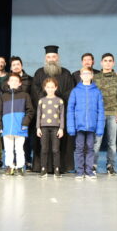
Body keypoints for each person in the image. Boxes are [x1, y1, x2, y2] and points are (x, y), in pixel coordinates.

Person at [32, 45, 75, 173]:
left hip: (59, 115)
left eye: (53, 56)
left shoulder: (66, 73)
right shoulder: (39, 73)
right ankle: (42, 167)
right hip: (44, 117)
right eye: (49, 57)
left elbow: (70, 91)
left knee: (59, 145)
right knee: (43, 146)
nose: (51, 59)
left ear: (58, 58)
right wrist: (47, 98)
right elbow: (35, 91)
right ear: (45, 58)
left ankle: (60, 167)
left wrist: (57, 99)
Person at [67, 67, 105, 180]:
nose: (86, 75)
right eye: (84, 73)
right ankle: (79, 171)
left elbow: (101, 111)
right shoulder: (75, 91)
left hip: (92, 127)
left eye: (89, 73)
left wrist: (100, 128)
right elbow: (70, 110)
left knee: (90, 148)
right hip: (79, 126)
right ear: (81, 76)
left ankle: (89, 171)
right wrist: (71, 127)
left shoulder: (97, 91)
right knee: (79, 148)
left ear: (92, 75)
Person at [0, 73, 34, 177]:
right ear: (8, 82)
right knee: (8, 149)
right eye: (12, 80)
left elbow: (30, 111)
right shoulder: (3, 96)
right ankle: (9, 166)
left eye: (16, 81)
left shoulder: (25, 95)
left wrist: (25, 122)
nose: (14, 82)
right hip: (7, 128)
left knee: (19, 149)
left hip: (20, 127)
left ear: (20, 83)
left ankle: (20, 167)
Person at [92, 53, 117, 175]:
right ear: (101, 63)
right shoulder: (95, 78)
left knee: (112, 143)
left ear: (113, 63)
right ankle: (93, 165)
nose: (108, 63)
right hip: (99, 114)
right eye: (105, 60)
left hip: (113, 113)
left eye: (110, 61)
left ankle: (111, 166)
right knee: (96, 142)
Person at [36, 78, 65, 179]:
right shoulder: (41, 101)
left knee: (55, 149)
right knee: (44, 149)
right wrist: (38, 127)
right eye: (48, 87)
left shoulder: (59, 101)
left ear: (56, 88)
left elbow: (62, 115)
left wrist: (61, 128)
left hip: (56, 127)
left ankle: (56, 169)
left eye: (52, 87)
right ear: (45, 88)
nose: (50, 89)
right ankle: (43, 169)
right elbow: (38, 115)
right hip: (43, 127)